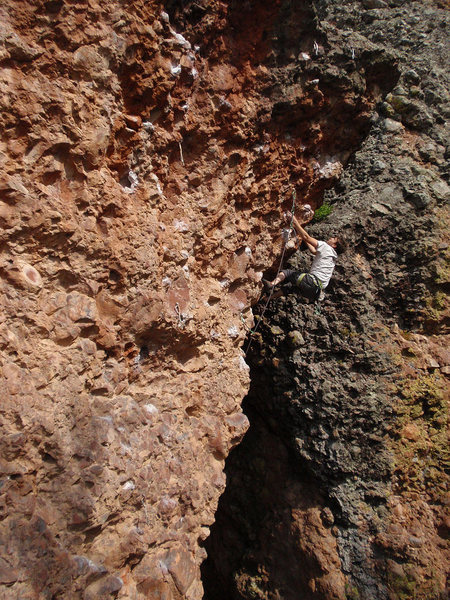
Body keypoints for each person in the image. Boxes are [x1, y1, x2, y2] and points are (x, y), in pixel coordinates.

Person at [264, 210, 347, 302]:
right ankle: (267, 299)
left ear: (334, 245)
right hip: (315, 291)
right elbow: (313, 251)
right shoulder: (332, 256)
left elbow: (307, 237)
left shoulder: (326, 247)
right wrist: (303, 238)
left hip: (311, 281)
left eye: (333, 239)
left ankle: (271, 284)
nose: (331, 238)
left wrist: (294, 221)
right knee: (290, 287)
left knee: (287, 272)